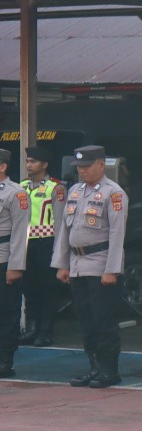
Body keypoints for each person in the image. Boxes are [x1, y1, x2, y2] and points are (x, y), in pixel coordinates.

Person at [51, 146, 129, 388]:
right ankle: (94, 367)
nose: (82, 171)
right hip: (77, 264)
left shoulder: (113, 193)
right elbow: (65, 229)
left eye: (86, 166)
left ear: (101, 165)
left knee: (103, 320)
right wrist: (61, 263)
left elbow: (118, 234)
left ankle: (109, 370)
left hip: (100, 264)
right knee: (85, 319)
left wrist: (112, 269)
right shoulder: (75, 191)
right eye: (79, 167)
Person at [19, 146, 65, 347]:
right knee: (29, 288)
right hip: (27, 244)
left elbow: (61, 221)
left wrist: (60, 250)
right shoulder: (22, 186)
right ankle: (31, 328)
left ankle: (45, 331)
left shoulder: (55, 188)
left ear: (44, 165)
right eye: (28, 161)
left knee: (48, 288)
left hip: (47, 242)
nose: (29, 165)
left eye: (33, 161)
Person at [0, 150, 27, 377]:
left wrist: (15, 265)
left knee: (7, 310)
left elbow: (20, 232)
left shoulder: (16, 193)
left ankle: (5, 360)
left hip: (4, 258)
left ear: (3, 167)